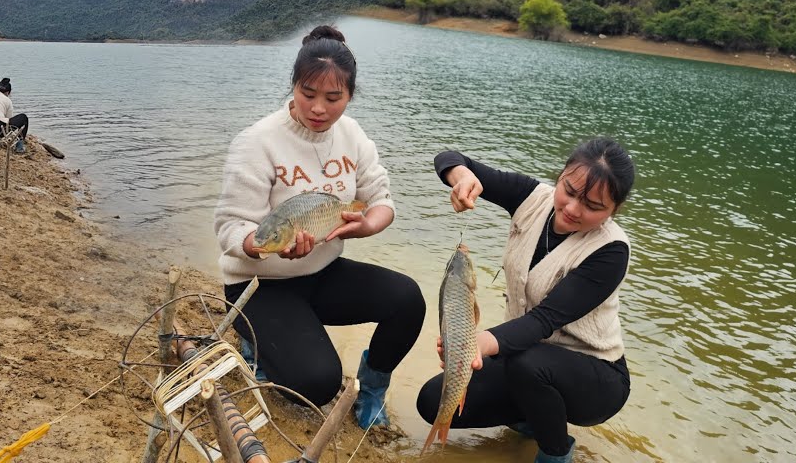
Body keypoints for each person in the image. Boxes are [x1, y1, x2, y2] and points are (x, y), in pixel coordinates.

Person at [213, 24, 424, 430]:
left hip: (322, 274)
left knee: (408, 299)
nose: (318, 109)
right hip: (258, 286)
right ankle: (255, 342)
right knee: (317, 384)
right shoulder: (257, 142)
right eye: (308, 94)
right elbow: (228, 228)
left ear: (349, 95)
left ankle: (373, 387)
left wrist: (362, 227)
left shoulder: (352, 134)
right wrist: (262, 246)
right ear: (293, 85)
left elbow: (381, 200)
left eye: (333, 98)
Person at [416, 138, 635, 463]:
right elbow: (448, 157)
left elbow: (543, 320)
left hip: (595, 378)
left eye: (592, 206)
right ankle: (531, 421)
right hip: (525, 356)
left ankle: (555, 452)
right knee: (433, 400)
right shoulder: (533, 197)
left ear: (614, 210)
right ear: (560, 176)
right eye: (570, 191)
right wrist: (462, 176)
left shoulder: (611, 251)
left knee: (527, 365)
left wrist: (477, 344)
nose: (573, 209)